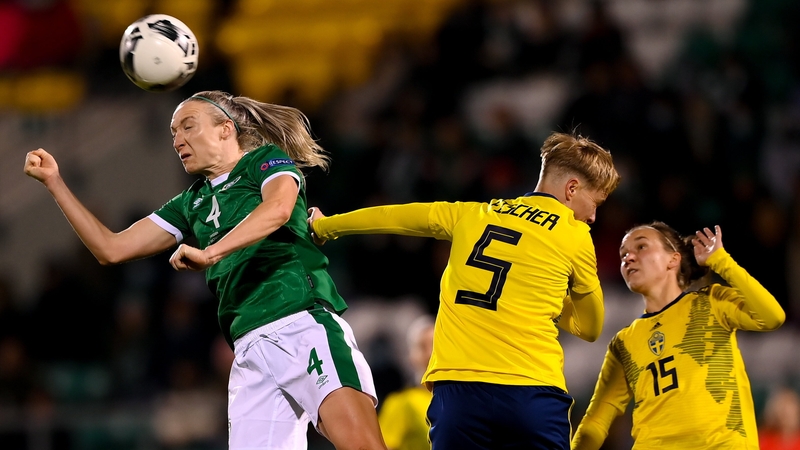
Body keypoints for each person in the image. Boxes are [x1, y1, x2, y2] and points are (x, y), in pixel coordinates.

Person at [23, 90, 387, 450]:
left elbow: (277, 209)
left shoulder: (264, 161)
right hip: (248, 351)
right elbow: (111, 249)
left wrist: (211, 253)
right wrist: (55, 183)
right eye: (173, 133)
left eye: (188, 127)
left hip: (301, 325)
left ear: (225, 129)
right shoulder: (190, 201)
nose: (178, 140)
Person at [308, 131, 622, 449]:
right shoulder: (574, 233)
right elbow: (590, 326)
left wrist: (327, 226)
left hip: (458, 392)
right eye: (594, 202)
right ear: (571, 188)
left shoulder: (470, 214)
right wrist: (546, 296)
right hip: (531, 390)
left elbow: (395, 216)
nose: (593, 216)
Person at [571, 221, 786, 449]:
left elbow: (771, 317)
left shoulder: (711, 303)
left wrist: (722, 261)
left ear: (673, 259)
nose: (628, 257)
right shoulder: (623, 343)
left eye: (641, 247)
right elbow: (595, 422)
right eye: (623, 254)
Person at [378, 314, 435, 450]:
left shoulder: (460, 400)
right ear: (411, 356)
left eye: (435, 345)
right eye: (422, 347)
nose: (430, 354)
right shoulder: (400, 404)